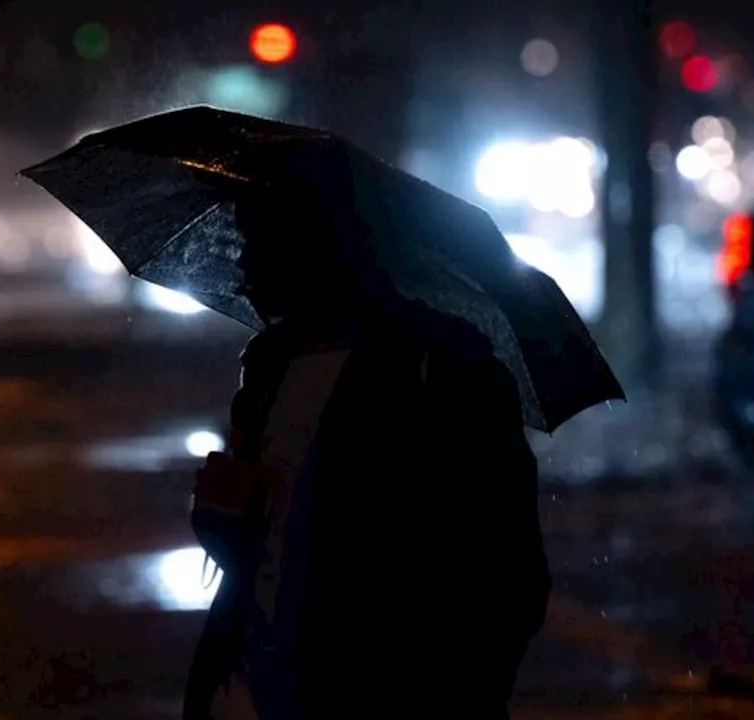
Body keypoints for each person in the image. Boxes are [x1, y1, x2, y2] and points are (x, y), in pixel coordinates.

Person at [184, 190, 551, 720]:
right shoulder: (268, 367)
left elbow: (508, 577)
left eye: (258, 237)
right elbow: (274, 549)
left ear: (315, 242)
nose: (242, 260)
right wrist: (226, 527)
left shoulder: (446, 372)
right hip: (254, 692)